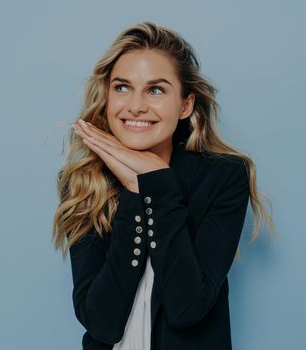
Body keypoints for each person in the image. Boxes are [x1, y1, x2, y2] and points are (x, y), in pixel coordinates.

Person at [52, 22, 275, 350]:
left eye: (156, 89)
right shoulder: (84, 181)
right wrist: (133, 190)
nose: (136, 105)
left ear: (185, 105)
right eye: (122, 87)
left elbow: (188, 307)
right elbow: (102, 323)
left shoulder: (224, 177)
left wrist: (158, 182)